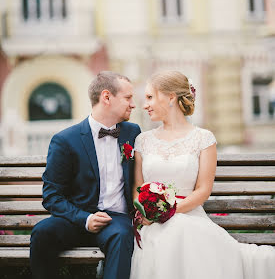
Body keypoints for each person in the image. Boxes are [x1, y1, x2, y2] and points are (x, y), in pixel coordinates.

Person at [130, 70, 275, 279]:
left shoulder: (203, 138)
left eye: (150, 97)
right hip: (152, 224)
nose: (145, 105)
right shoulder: (142, 140)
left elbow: (203, 190)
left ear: (171, 97)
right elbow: (138, 188)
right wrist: (148, 212)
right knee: (163, 235)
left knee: (178, 228)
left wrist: (167, 213)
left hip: (190, 218)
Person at [30, 71, 141, 279]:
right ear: (106, 97)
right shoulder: (65, 140)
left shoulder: (132, 133)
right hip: (76, 218)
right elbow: (51, 195)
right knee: (42, 232)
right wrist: (86, 218)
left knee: (123, 235)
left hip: (116, 220)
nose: (133, 104)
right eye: (128, 98)